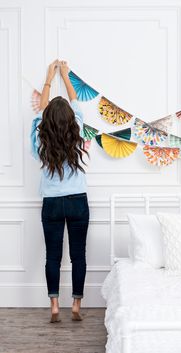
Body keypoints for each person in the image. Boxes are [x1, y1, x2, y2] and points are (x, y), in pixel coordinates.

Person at [30, 60, 90, 323]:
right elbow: (75, 101)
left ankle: (54, 305)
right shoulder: (77, 127)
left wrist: (48, 77)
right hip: (78, 200)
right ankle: (76, 304)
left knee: (52, 255)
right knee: (79, 254)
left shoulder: (39, 134)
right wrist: (65, 75)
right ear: (70, 120)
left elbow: (42, 109)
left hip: (51, 203)